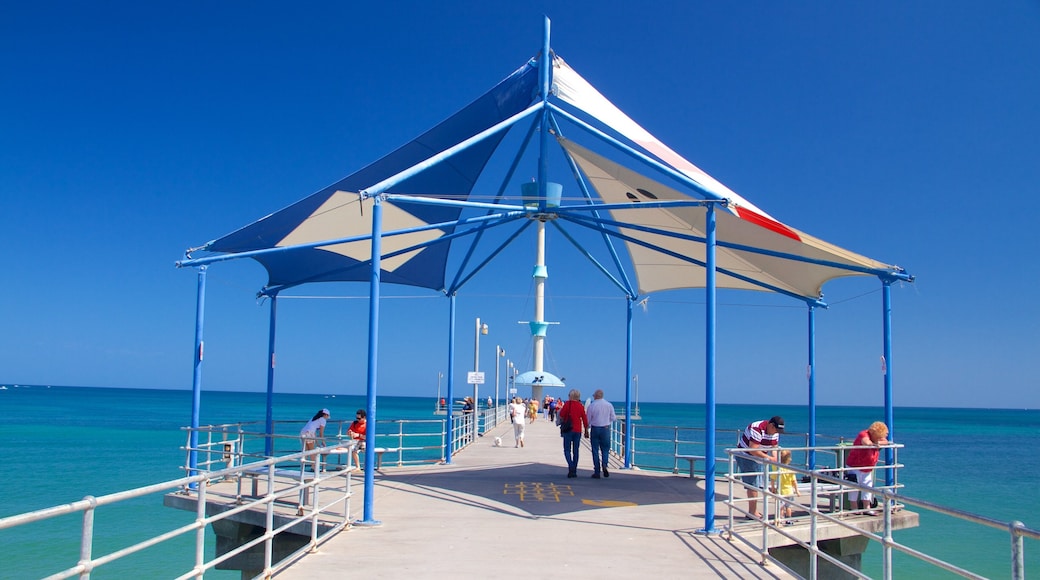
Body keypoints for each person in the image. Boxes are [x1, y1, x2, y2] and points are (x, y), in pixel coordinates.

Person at [735, 415, 785, 519]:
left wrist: (775, 458)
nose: (776, 433)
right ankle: (752, 512)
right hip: (746, 456)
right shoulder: (756, 428)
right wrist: (769, 458)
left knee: (760, 483)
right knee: (753, 484)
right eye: (776, 430)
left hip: (760, 458)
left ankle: (754, 511)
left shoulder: (775, 433)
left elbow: (774, 447)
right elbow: (753, 449)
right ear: (771, 425)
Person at [846, 421, 889, 515]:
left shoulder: (877, 438)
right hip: (855, 465)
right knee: (854, 486)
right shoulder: (863, 434)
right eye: (878, 437)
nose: (880, 438)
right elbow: (866, 441)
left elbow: (886, 441)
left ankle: (867, 508)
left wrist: (879, 442)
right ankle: (854, 508)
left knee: (868, 486)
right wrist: (873, 444)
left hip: (867, 466)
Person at [557, 389, 589, 478]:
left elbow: (562, 415)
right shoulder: (580, 406)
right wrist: (586, 429)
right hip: (578, 430)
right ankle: (574, 469)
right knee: (576, 450)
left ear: (570, 396)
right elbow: (584, 418)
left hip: (568, 429)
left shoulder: (568, 404)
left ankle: (570, 466)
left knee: (567, 450)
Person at [585, 389, 616, 479]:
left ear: (595, 396)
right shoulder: (609, 405)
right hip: (605, 428)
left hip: (595, 428)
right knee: (605, 449)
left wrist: (587, 429)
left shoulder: (592, 405)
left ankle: (597, 471)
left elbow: (588, 419)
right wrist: (607, 420)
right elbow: (613, 418)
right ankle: (605, 464)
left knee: (595, 450)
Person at [770, 449, 799, 524]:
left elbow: (772, 479)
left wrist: (773, 488)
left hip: (781, 490)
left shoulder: (777, 468)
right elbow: (794, 482)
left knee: (781, 507)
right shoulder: (790, 469)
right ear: (789, 459)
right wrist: (797, 490)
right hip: (789, 491)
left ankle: (780, 519)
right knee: (788, 506)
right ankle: (789, 519)